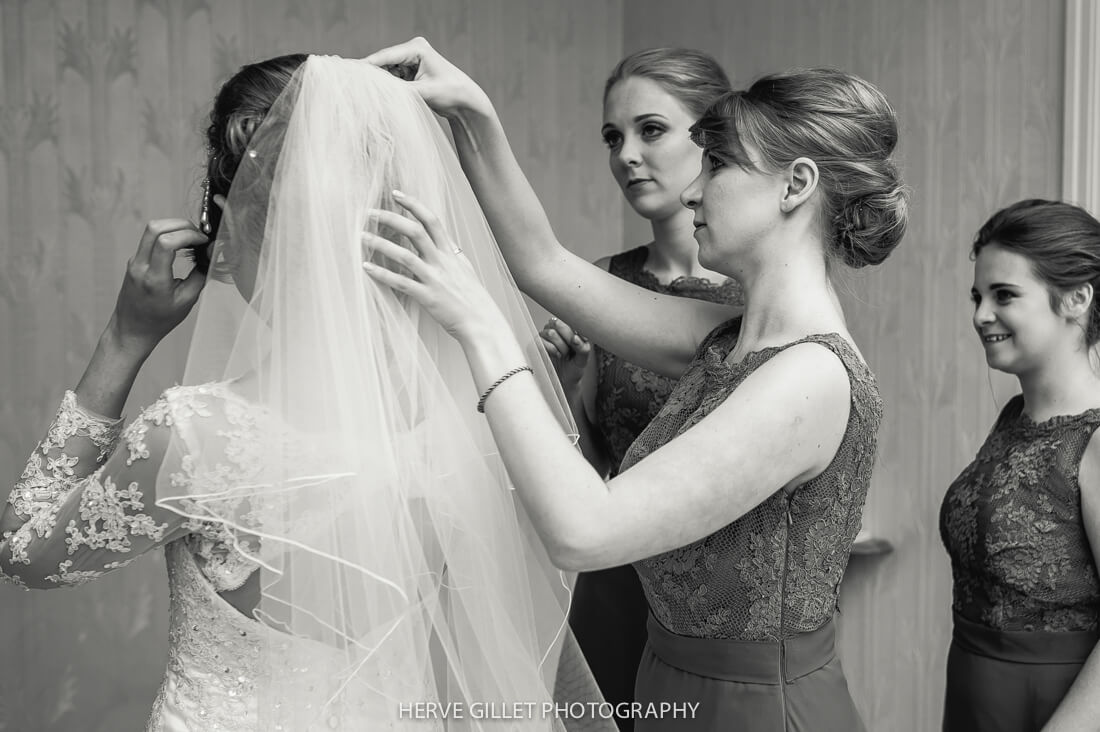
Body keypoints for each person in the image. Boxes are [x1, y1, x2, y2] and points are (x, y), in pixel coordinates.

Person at [0, 54, 611, 731]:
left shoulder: (201, 435)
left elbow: (25, 555)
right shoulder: (471, 417)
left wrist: (124, 338)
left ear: (229, 224)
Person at [363, 38, 908, 731]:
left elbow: (586, 532)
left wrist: (480, 326)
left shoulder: (809, 376)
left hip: (754, 711)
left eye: (716, 165)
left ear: (795, 186)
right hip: (669, 681)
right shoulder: (724, 336)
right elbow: (542, 264)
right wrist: (474, 115)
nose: (690, 190)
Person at [537, 48, 742, 730]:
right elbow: (586, 471)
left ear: (710, 136)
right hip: (616, 584)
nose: (626, 154)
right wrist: (566, 392)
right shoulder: (601, 285)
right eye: (612, 137)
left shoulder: (757, 297)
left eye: (650, 130)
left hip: (727, 591)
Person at [941, 199, 1100, 731]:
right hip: (972, 694)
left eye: (1004, 295)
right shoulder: (1014, 416)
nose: (980, 314)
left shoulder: (1095, 439)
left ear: (1076, 299)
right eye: (978, 296)